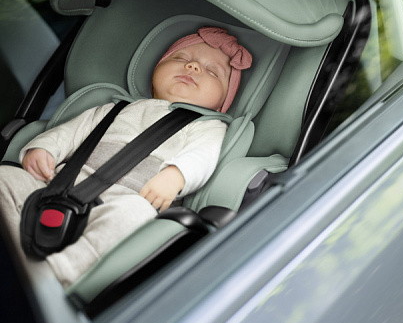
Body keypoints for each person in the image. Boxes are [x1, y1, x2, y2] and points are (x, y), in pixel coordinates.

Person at [0, 26, 252, 287]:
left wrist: (176, 175)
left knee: (135, 215)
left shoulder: (207, 126)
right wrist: (44, 149)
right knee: (5, 177)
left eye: (212, 72)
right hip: (58, 183)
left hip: (129, 197)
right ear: (156, 70)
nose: (193, 67)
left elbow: (202, 156)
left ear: (223, 102)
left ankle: (56, 274)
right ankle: (13, 251)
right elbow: (71, 133)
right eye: (181, 58)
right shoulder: (116, 108)